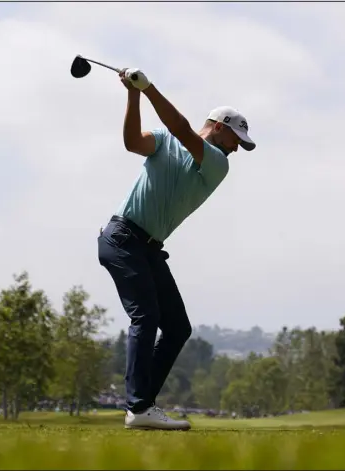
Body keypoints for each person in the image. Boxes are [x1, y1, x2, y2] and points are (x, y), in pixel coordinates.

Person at [97, 67, 256, 430]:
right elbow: (132, 143)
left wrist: (149, 88)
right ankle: (138, 408)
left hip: (148, 248)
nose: (238, 148)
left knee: (177, 327)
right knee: (147, 316)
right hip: (121, 238)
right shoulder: (165, 142)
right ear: (219, 126)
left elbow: (182, 130)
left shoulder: (217, 164)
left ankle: (141, 406)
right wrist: (134, 94)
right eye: (236, 139)